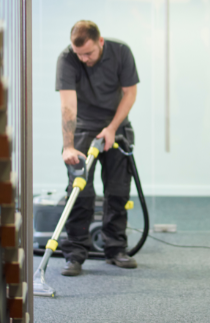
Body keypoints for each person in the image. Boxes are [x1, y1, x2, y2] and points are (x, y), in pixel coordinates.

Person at [55, 20, 140, 276]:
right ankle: (75, 254)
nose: (83, 59)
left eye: (88, 53)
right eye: (79, 53)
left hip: (116, 127)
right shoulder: (67, 59)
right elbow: (68, 106)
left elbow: (130, 93)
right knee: (80, 192)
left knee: (118, 191)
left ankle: (115, 249)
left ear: (100, 42)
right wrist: (68, 147)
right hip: (82, 128)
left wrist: (113, 128)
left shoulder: (121, 52)